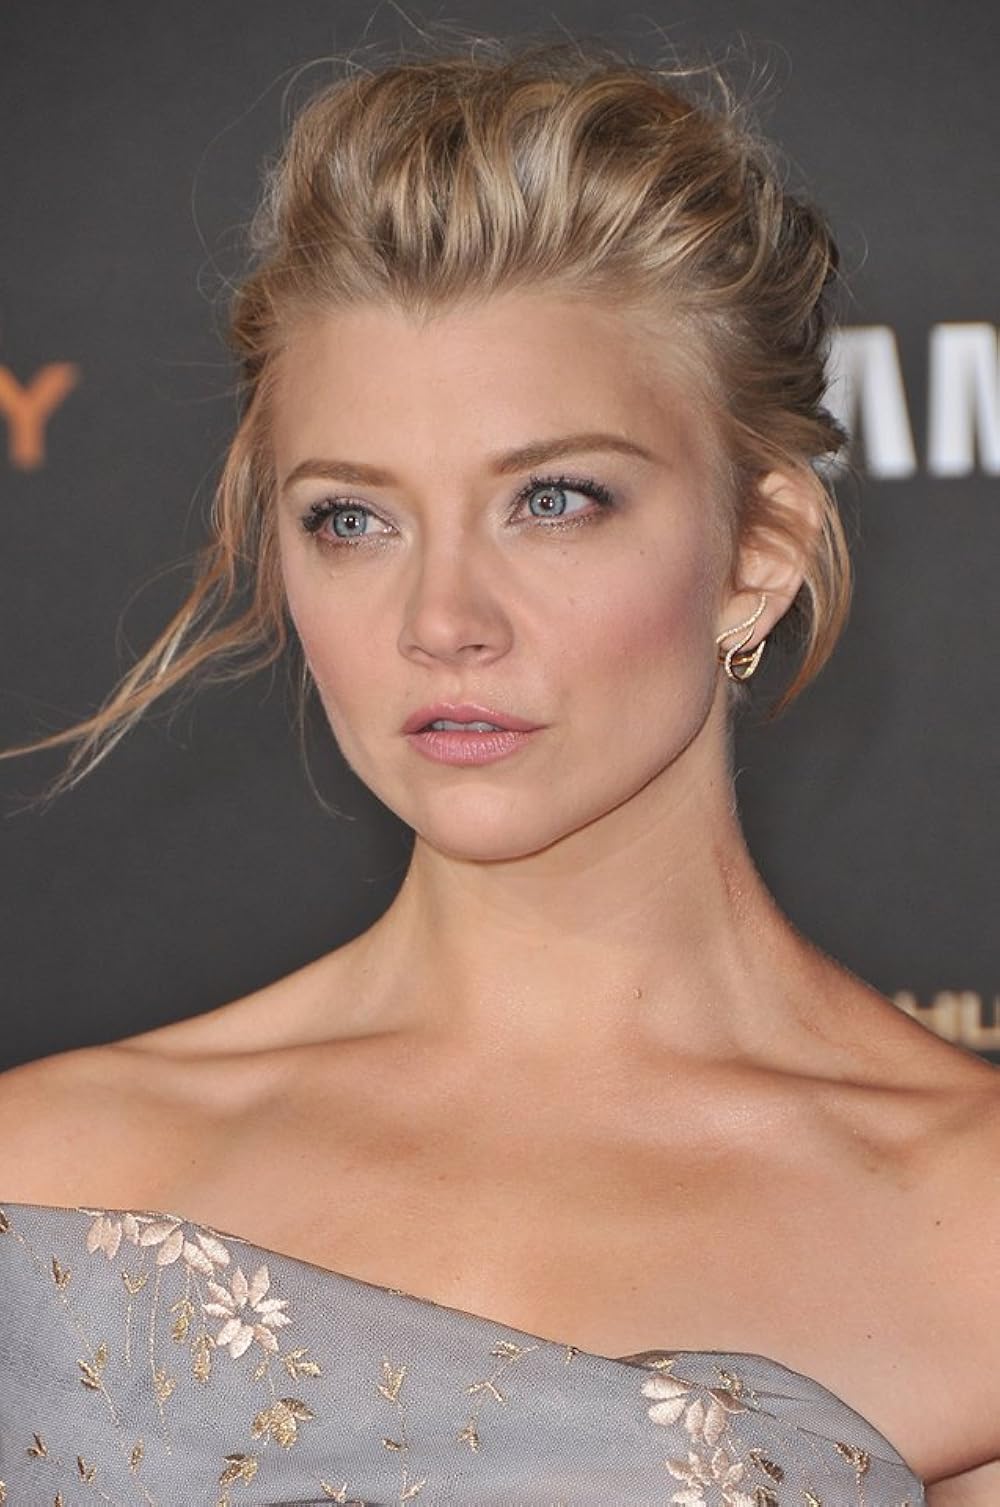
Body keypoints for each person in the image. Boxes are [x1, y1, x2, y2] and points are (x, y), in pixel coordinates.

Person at [0, 31, 996, 1506]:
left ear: (759, 552)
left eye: (553, 500)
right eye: (352, 519)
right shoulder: (41, 1180)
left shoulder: (972, 1227)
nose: (442, 621)